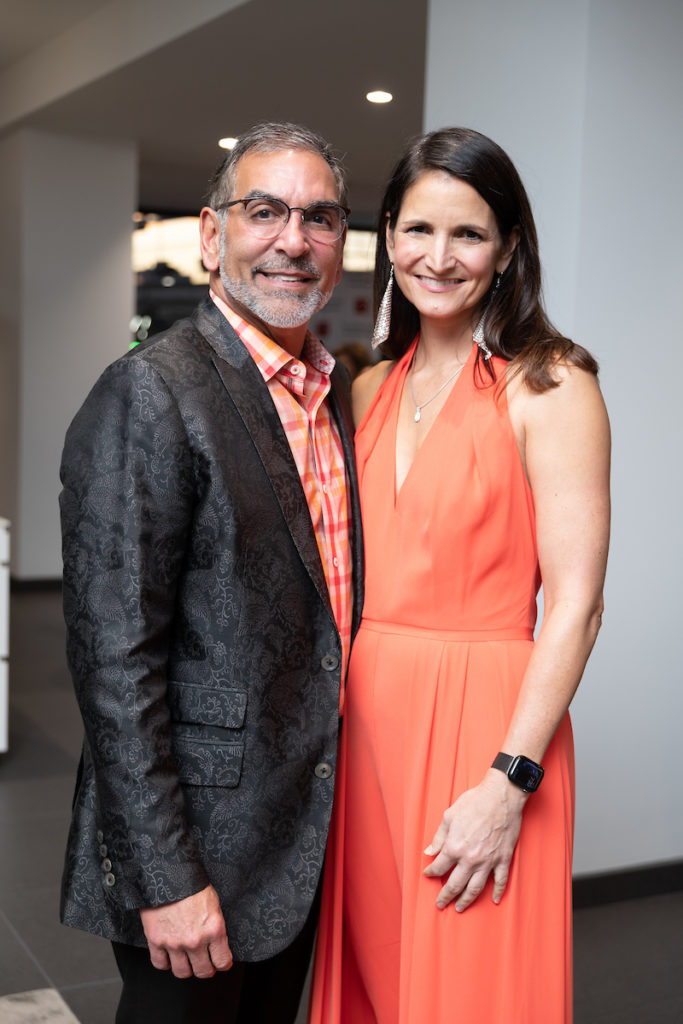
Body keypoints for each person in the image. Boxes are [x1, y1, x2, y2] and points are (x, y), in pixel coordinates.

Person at [59, 121, 363, 1024]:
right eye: (263, 210)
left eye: (318, 217)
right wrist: (165, 877)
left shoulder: (331, 393)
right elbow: (113, 663)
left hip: (297, 831)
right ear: (208, 234)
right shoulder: (151, 391)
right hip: (196, 849)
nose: (291, 240)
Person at [309, 127, 610, 1023]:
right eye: (418, 230)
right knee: (375, 979)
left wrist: (509, 780)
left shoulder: (551, 386)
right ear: (389, 237)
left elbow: (578, 607)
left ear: (507, 248)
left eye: (469, 235)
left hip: (486, 732)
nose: (438, 258)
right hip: (366, 730)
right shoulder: (367, 389)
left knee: (468, 990)